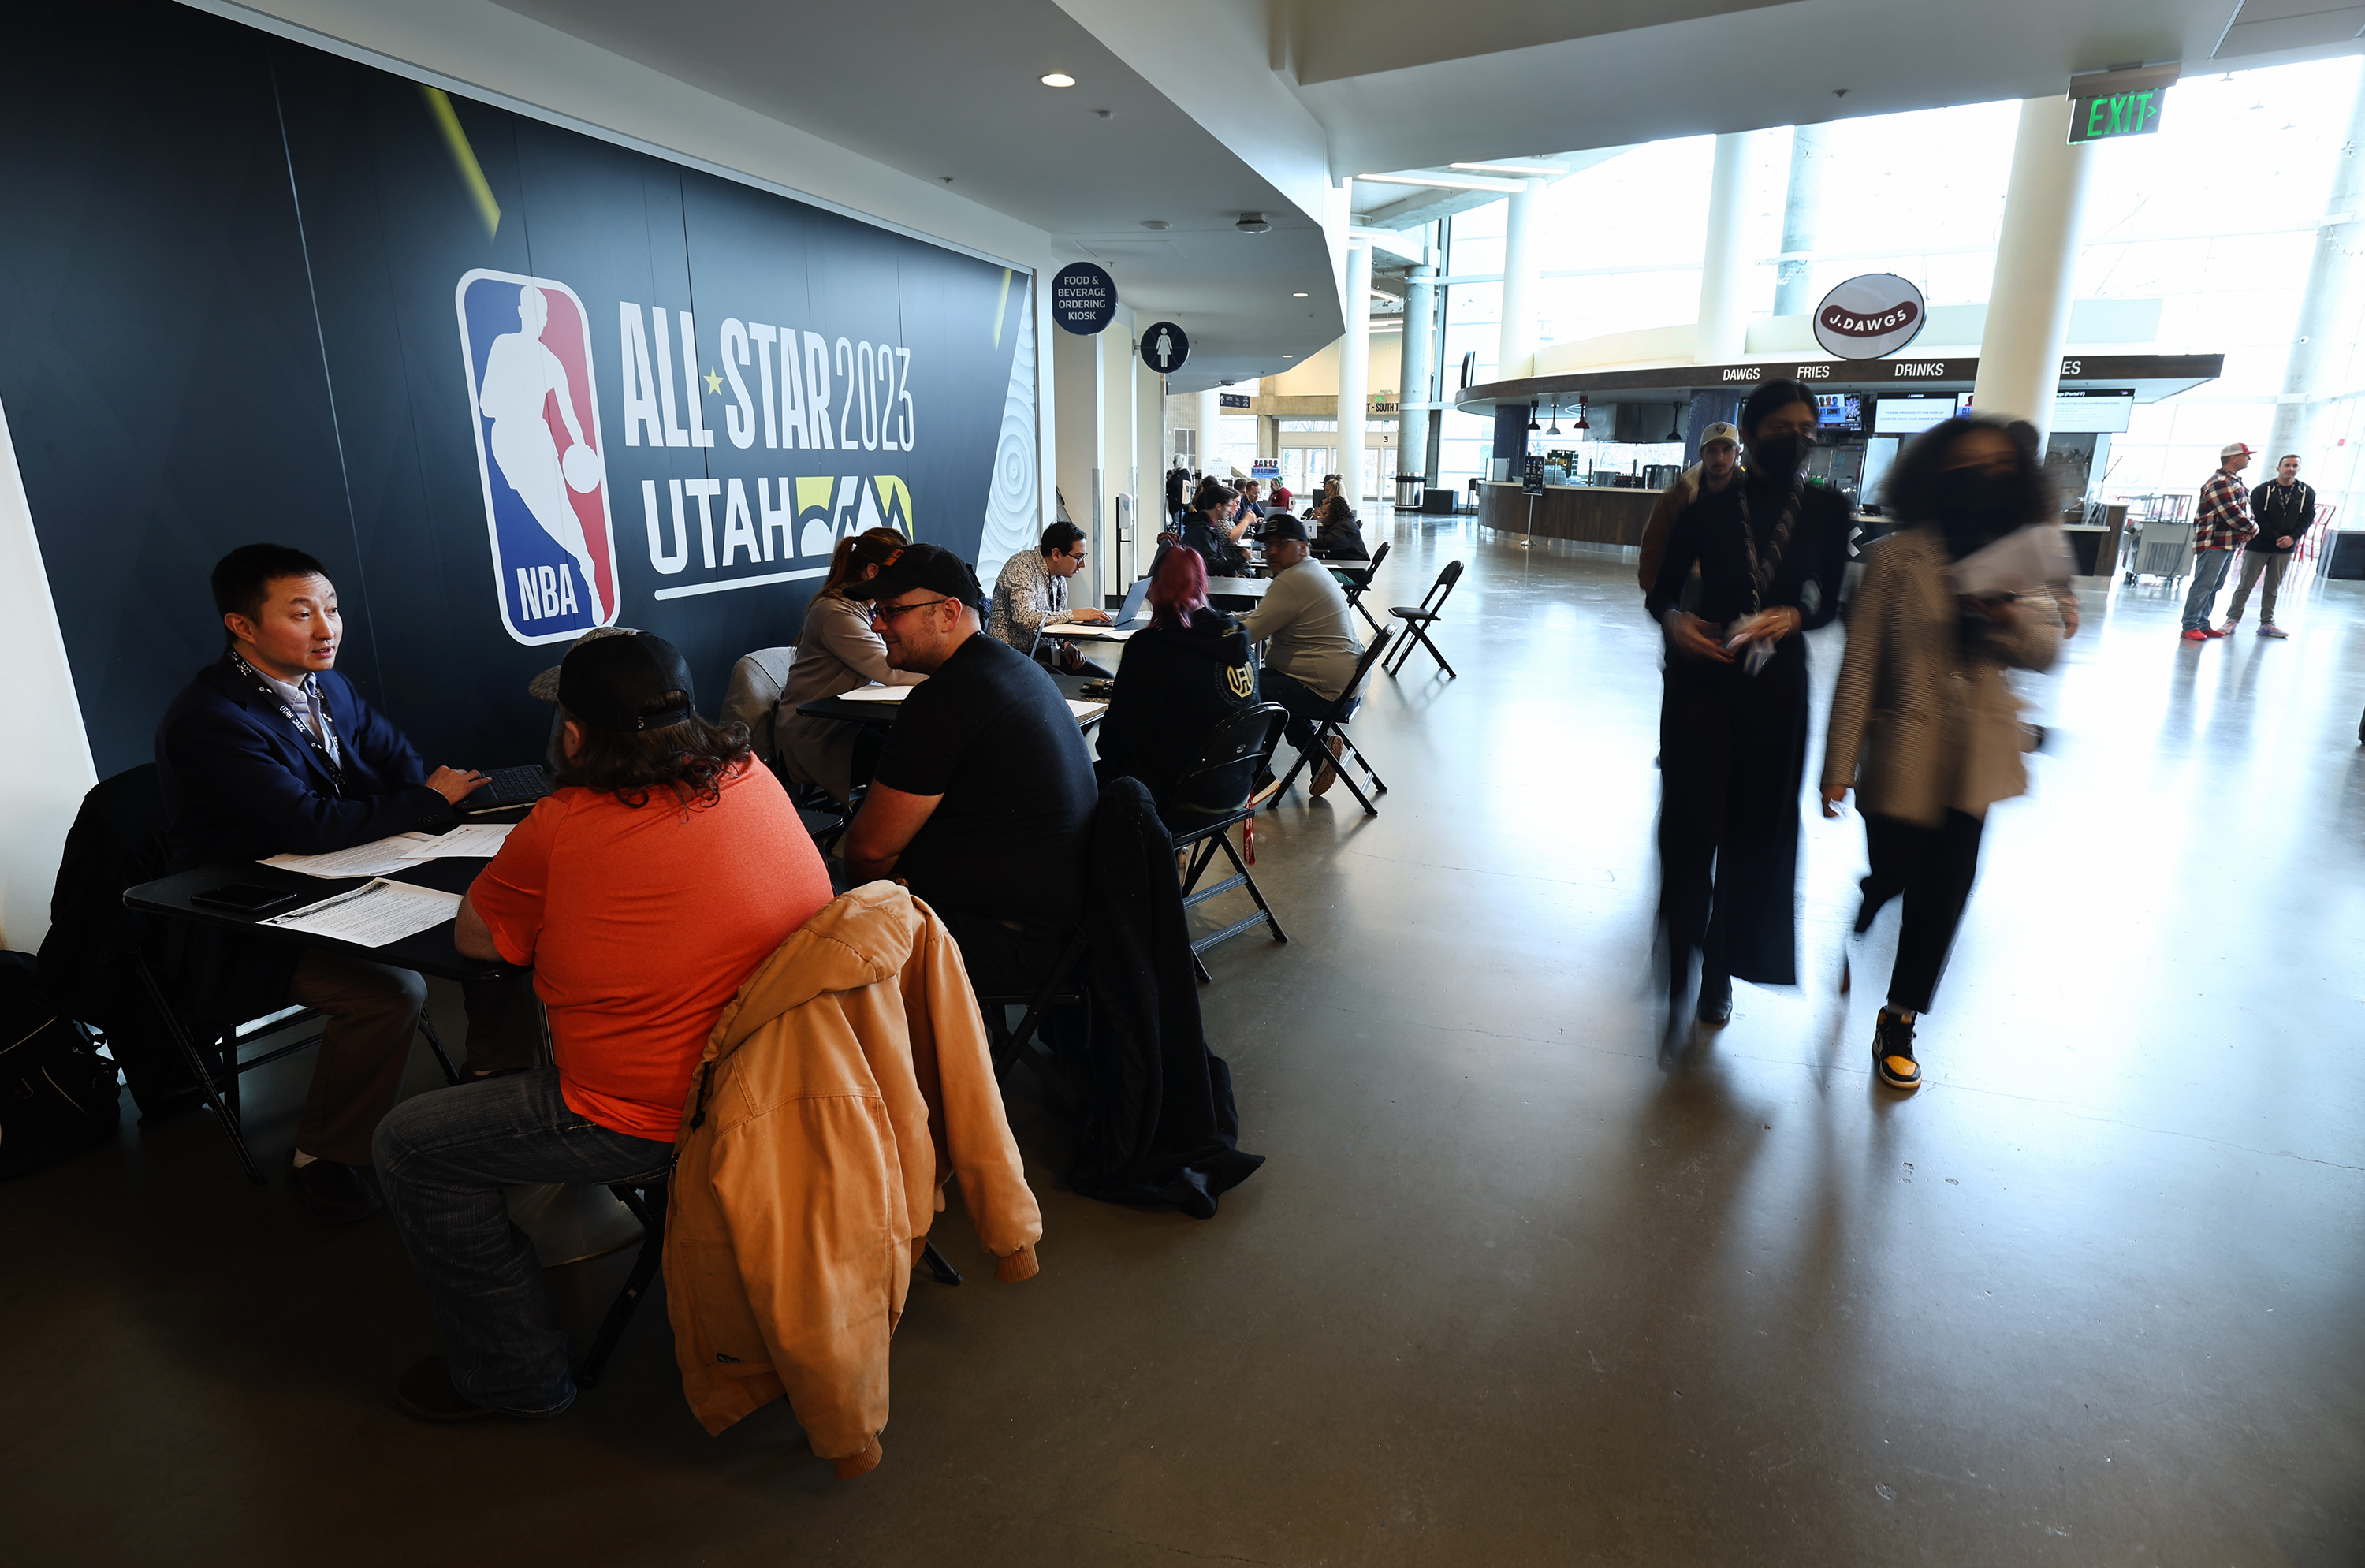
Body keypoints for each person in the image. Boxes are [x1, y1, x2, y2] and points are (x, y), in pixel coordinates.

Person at [374, 631, 830, 1421]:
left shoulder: (564, 822)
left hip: (651, 1115)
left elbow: (480, 939)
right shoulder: (751, 774)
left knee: (409, 1146)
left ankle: (512, 1375)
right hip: (788, 1079)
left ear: (575, 734)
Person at [154, 544, 521, 1225]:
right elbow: (307, 823)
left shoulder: (330, 686)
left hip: (347, 879)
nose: (327, 628)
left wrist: (420, 800)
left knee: (497, 927)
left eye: (331, 608)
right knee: (392, 991)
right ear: (241, 625)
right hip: (255, 922)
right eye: (302, 614)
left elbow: (398, 762)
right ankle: (323, 1157)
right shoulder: (210, 719)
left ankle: (495, 1087)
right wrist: (424, 802)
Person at [1819, 418, 2063, 1092]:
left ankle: (1900, 1019)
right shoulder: (1895, 559)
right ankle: (1876, 890)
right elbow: (1861, 666)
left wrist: (2008, 616)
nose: (1981, 479)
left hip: (1975, 754)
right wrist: (1839, 767)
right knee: (1896, 866)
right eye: (1967, 464)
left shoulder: (2023, 553)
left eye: (1998, 466)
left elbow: (2047, 651)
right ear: (1935, 472)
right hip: (1902, 746)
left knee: (1945, 893)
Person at [1646, 379, 1851, 1034]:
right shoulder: (1707, 508)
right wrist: (1676, 622)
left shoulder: (1828, 509)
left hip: (1776, 691)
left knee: (1753, 835)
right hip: (1703, 682)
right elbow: (1661, 593)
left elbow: (1831, 602)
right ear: (1754, 431)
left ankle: (1720, 968)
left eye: (1807, 428)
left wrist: (1795, 615)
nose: (1797, 438)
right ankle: (1681, 951)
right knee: (1691, 827)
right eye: (1783, 426)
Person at [839, 544, 1098, 996]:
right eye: (877, 611)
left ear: (948, 613)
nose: (878, 624)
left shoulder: (944, 700)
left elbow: (869, 854)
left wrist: (873, 911)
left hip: (1005, 943)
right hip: (1073, 931)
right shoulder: (1020, 669)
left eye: (892, 611)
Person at [1093, 546, 1260, 806]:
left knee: (1071, 781)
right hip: (1236, 785)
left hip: (1178, 794)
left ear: (1157, 589)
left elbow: (1113, 744)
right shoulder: (1238, 637)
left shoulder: (1152, 649)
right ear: (1203, 585)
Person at [777, 527, 923, 804]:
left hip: (851, 722)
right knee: (907, 764)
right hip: (816, 733)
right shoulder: (835, 612)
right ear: (873, 571)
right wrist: (947, 675)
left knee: (917, 747)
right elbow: (889, 670)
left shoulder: (864, 607)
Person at [1238, 513, 1365, 796]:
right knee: (1274, 685)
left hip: (1325, 688)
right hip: (1343, 682)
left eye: (1281, 544)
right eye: (1268, 545)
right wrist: (1221, 621)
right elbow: (1259, 618)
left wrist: (1205, 632)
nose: (1272, 551)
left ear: (1303, 547)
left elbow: (1247, 634)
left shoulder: (1291, 582)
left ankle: (1257, 776)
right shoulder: (1311, 570)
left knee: (1244, 688)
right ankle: (1318, 753)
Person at [987, 520, 1112, 674]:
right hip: (1013, 656)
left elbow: (1053, 621)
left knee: (1106, 677)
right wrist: (1074, 615)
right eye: (1078, 557)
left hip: (1044, 651)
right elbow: (1025, 619)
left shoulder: (1059, 577)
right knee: (1066, 683)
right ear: (1056, 554)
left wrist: (1066, 644)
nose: (1082, 564)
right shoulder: (1021, 566)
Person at [1638, 421, 1741, 596]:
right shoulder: (1678, 495)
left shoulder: (1751, 493)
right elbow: (1654, 542)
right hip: (1685, 590)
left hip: (1735, 591)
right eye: (1712, 451)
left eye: (1727, 450)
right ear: (1701, 453)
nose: (1719, 458)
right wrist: (1653, 590)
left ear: (1738, 453)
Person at [2223, 453, 2313, 638]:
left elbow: (2308, 518)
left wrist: (2292, 538)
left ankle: (2267, 623)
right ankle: (2232, 619)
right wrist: (2277, 538)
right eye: (2287, 465)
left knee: (2273, 587)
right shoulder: (2262, 491)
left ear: (2299, 469)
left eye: (2295, 466)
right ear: (2279, 468)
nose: (2291, 469)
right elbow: (2257, 517)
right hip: (2259, 545)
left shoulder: (2306, 492)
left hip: (2285, 548)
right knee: (2245, 585)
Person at [2182, 442, 2257, 641]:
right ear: (2233, 458)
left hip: (2227, 543)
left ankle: (2202, 623)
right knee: (2203, 585)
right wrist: (2253, 529)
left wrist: (2247, 530)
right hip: (2214, 542)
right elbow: (2231, 512)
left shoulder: (2232, 481)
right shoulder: (2220, 482)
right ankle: (2190, 625)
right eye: (2246, 455)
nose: (2249, 458)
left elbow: (2245, 511)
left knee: (2214, 586)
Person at [1179, 482, 1250, 577]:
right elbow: (1211, 565)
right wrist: (1241, 558)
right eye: (1228, 506)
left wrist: (1231, 576)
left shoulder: (1211, 526)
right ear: (1219, 507)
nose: (1230, 510)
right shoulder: (1201, 530)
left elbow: (1219, 558)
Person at [1309, 496, 1370, 562]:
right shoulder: (1339, 523)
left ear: (1334, 514)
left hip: (1353, 566)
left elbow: (1324, 543)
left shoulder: (1345, 527)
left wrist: (1311, 533)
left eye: (1324, 514)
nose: (1322, 517)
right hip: (1346, 562)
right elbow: (1323, 534)